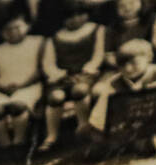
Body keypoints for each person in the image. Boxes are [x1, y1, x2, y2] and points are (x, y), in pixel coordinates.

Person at [39, 0, 106, 151]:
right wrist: (59, 74)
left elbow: (98, 55)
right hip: (62, 77)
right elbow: (48, 63)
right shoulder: (55, 38)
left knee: (80, 90)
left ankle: (83, 127)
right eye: (69, 17)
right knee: (55, 97)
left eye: (79, 15)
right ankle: (52, 136)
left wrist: (88, 69)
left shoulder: (96, 30)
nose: (75, 20)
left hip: (86, 74)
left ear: (86, 15)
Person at [0, 8, 46, 149]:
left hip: (29, 86)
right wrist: (2, 88)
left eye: (17, 28)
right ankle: (5, 145)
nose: (12, 32)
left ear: (27, 26)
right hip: (3, 88)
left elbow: (40, 70)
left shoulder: (38, 42)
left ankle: (19, 142)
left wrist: (22, 85)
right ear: (2, 33)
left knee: (17, 106)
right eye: (8, 30)